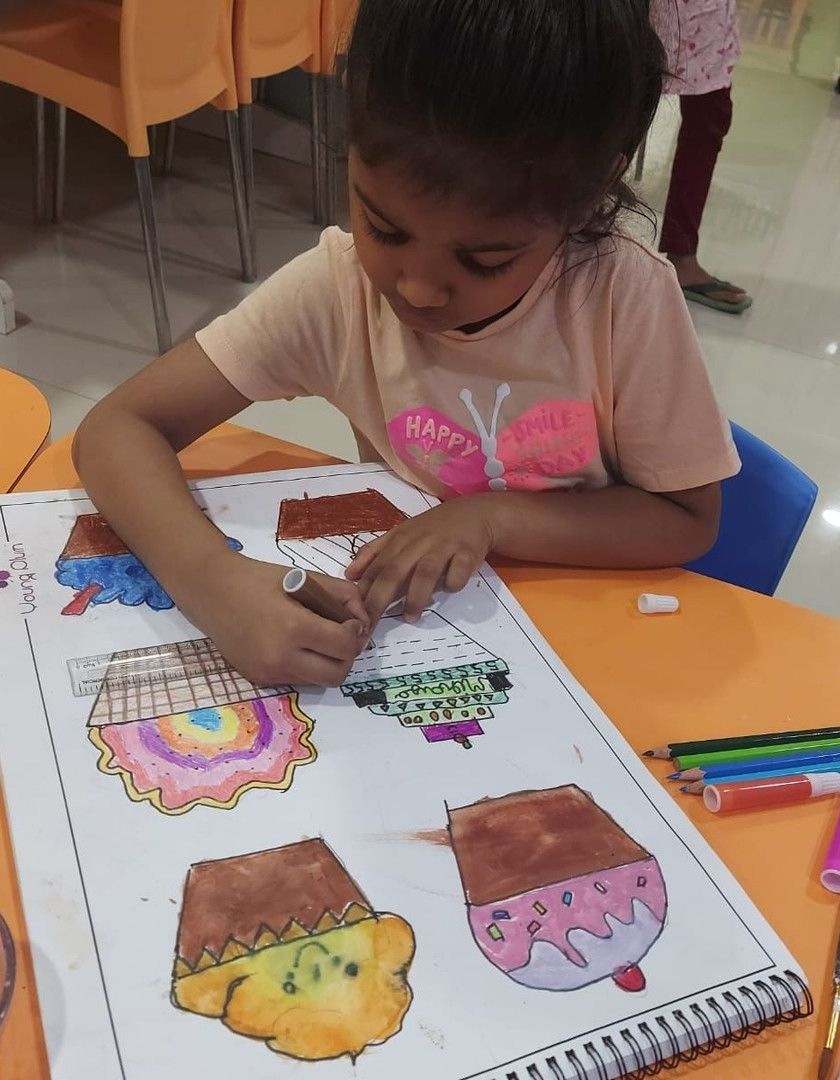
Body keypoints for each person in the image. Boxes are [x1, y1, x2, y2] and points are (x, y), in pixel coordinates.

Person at [73, 0, 740, 688]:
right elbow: (118, 427)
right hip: (426, 645)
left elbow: (686, 518)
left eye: (485, 259)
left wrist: (490, 518)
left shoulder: (620, 296)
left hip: (593, 643)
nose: (418, 289)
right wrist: (213, 581)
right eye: (384, 228)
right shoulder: (337, 291)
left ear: (589, 196)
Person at [653, 0, 752, 314]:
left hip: (705, 15)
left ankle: (682, 253)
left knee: (708, 119)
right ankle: (575, 230)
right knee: (618, 108)